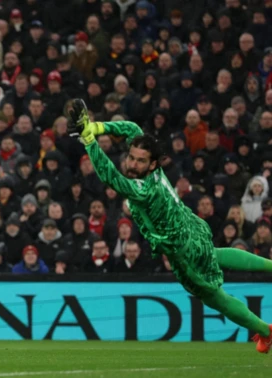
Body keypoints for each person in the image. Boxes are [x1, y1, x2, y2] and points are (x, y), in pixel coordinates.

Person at [67, 98, 272, 354]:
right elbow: (130, 128)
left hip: (180, 246)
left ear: (152, 164)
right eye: (131, 158)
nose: (132, 164)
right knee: (215, 254)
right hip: (191, 227)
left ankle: (265, 331)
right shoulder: (153, 170)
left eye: (140, 161)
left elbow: (111, 176)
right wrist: (94, 128)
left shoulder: (143, 189)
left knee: (215, 297)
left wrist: (89, 140)